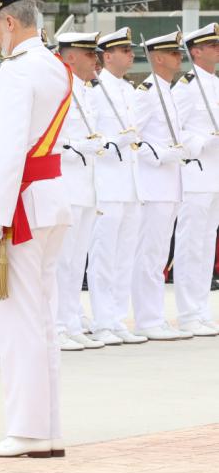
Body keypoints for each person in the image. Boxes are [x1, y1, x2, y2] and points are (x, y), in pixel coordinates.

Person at [0, 0, 71, 458]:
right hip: (50, 197)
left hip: (22, 204)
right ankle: (46, 429)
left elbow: (9, 153)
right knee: (43, 320)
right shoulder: (53, 65)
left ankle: (27, 431)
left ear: (9, 22)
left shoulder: (15, 72)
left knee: (19, 323)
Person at [87, 28, 148, 345]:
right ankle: (102, 320)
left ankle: (117, 317)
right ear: (106, 56)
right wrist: (116, 142)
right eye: (123, 50)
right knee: (104, 254)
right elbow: (93, 140)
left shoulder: (128, 90)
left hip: (131, 183)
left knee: (125, 255)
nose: (129, 54)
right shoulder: (96, 91)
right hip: (108, 183)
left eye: (129, 49)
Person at [130, 32, 193, 341]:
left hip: (171, 185)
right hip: (153, 185)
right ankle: (147, 318)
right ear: (157, 58)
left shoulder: (168, 91)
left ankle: (155, 315)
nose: (179, 56)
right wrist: (159, 156)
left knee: (158, 256)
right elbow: (133, 137)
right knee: (148, 254)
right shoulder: (147, 92)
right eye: (172, 52)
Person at [52, 33, 105, 351]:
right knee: (61, 260)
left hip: (86, 186)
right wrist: (76, 148)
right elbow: (50, 139)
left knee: (76, 261)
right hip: (66, 183)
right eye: (89, 54)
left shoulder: (83, 92)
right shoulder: (59, 89)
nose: (95, 60)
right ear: (70, 57)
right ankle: (58, 323)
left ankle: (70, 320)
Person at [171, 23, 219, 336]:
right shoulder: (187, 86)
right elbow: (173, 128)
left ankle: (201, 308)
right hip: (195, 172)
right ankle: (188, 312)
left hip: (214, 175)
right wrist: (202, 140)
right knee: (190, 245)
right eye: (212, 45)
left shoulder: (215, 83)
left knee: (205, 244)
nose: (217, 50)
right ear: (196, 51)